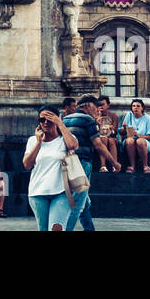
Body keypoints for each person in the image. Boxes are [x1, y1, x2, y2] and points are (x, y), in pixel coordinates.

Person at [60, 97, 116, 230]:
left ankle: (89, 228)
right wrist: (113, 162)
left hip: (66, 162)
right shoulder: (87, 119)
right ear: (87, 106)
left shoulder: (65, 119)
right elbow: (98, 145)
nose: (98, 110)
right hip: (82, 163)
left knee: (83, 200)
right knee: (77, 203)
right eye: (95, 107)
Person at [23, 105, 79, 231]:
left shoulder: (64, 139)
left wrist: (60, 123)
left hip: (62, 192)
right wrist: (38, 142)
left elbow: (73, 145)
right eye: (42, 120)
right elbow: (27, 165)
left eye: (50, 119)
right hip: (37, 192)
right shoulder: (33, 140)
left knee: (57, 228)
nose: (46, 122)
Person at [120, 99, 150, 173]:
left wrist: (139, 135)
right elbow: (121, 132)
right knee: (129, 140)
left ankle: (145, 166)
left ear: (142, 108)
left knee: (140, 141)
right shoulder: (129, 115)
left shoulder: (147, 118)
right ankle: (132, 166)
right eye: (133, 106)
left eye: (138, 106)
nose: (135, 108)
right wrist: (124, 128)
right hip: (130, 140)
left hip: (144, 142)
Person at [96, 97, 120, 171]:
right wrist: (98, 119)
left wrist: (112, 128)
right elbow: (94, 131)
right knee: (103, 139)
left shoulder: (113, 116)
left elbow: (115, 133)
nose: (101, 106)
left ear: (108, 105)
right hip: (99, 138)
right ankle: (103, 166)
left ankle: (114, 165)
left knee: (111, 140)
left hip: (111, 137)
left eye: (103, 104)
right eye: (99, 104)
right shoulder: (94, 116)